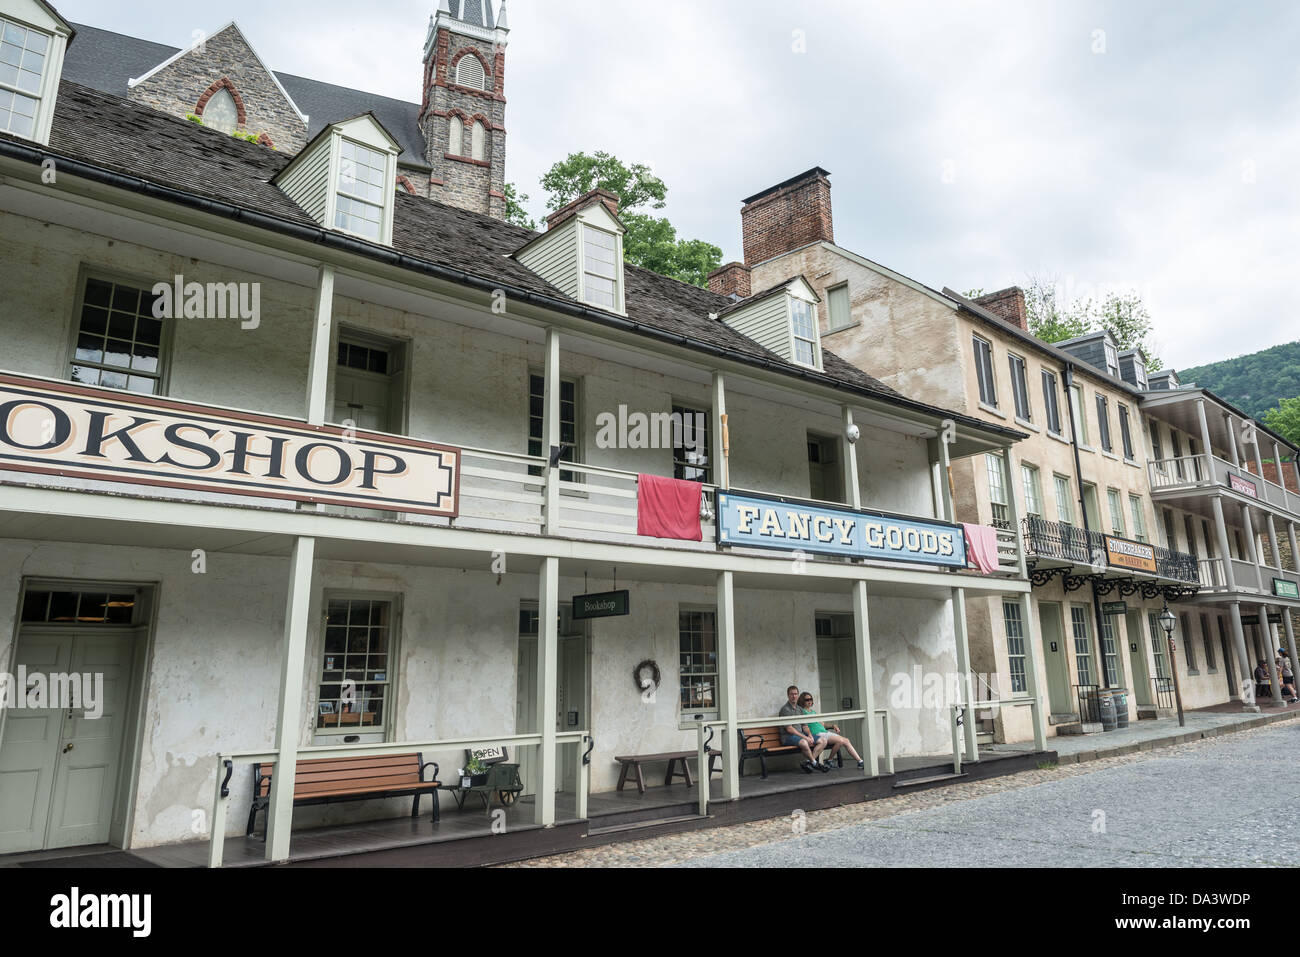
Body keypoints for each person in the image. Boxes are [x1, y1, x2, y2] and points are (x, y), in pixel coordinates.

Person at [797, 692, 865, 770]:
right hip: (818, 734)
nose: (809, 701)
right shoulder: (802, 712)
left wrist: (833, 726)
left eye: (811, 699)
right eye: (807, 699)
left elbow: (823, 724)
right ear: (802, 700)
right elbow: (804, 726)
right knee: (845, 741)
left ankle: (828, 761)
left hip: (825, 733)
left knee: (841, 741)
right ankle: (860, 761)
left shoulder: (813, 712)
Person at [778, 685, 819, 773]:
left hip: (800, 736)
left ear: (798, 695)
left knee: (823, 740)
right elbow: (789, 729)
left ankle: (809, 762)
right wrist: (805, 737)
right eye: (791, 694)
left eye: (796, 694)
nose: (794, 696)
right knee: (804, 742)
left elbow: (805, 726)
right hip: (788, 737)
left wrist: (810, 735)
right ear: (788, 695)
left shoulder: (800, 709)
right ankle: (815, 763)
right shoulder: (785, 710)